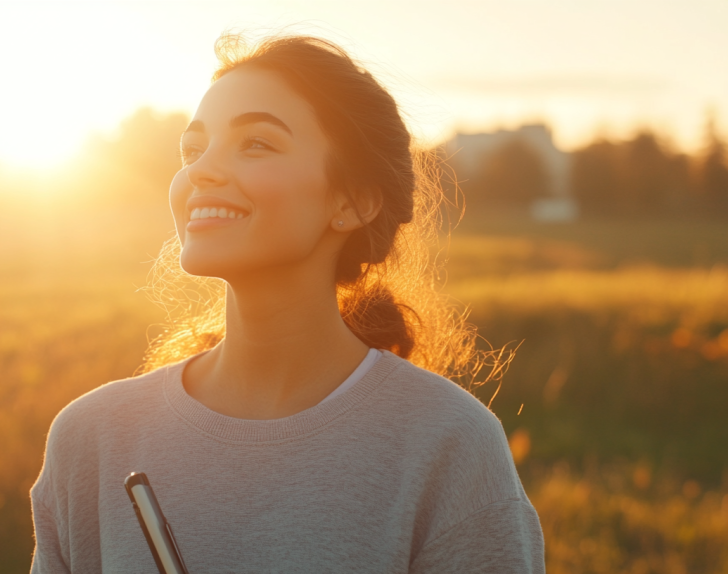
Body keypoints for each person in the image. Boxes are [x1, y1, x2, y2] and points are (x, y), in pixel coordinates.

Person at [30, 34, 545, 573]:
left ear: (352, 201)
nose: (200, 170)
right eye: (192, 149)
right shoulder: (92, 438)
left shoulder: (449, 445)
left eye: (256, 143)